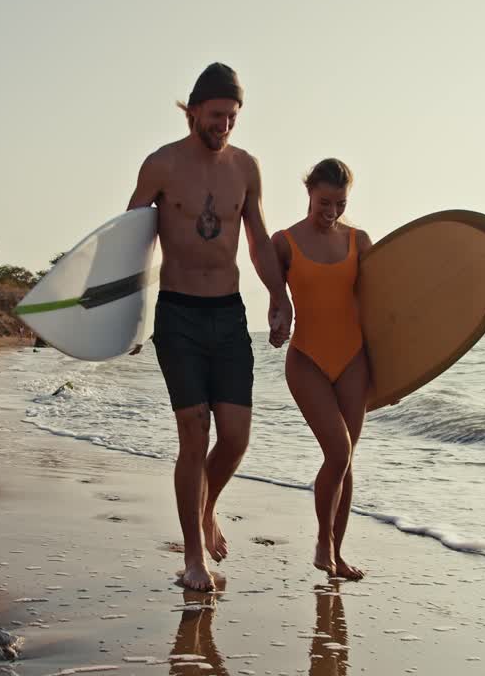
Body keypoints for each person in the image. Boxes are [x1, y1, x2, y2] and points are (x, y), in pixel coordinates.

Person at [127, 62, 292, 592]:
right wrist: (124, 316)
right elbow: (129, 239)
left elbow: (259, 239)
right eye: (217, 114)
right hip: (177, 312)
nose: (225, 125)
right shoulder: (161, 166)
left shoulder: (246, 169)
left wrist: (278, 295)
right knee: (194, 434)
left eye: (233, 116)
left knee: (237, 437)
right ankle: (194, 559)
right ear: (193, 110)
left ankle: (207, 507)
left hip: (227, 313)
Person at [272, 158, 372, 580]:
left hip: (354, 359)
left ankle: (337, 553)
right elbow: (277, 299)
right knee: (338, 450)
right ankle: (322, 542)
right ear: (309, 192)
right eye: (324, 201)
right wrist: (278, 319)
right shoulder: (284, 242)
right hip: (307, 359)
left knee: (346, 460)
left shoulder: (359, 240)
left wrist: (401, 370)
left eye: (340, 203)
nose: (331, 211)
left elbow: (383, 306)